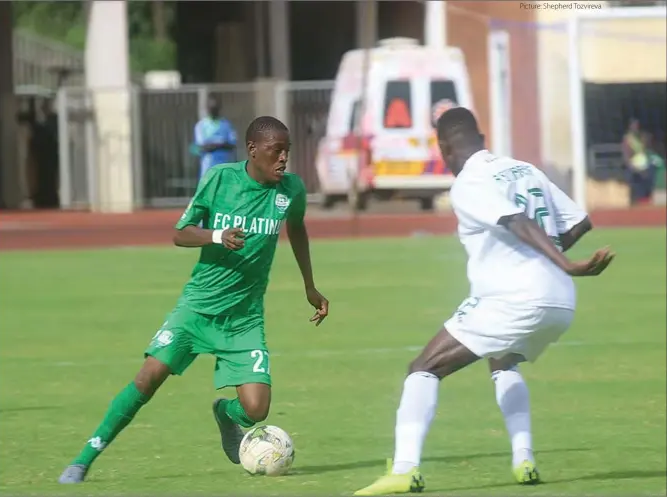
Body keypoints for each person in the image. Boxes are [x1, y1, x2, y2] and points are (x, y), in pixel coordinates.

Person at [354, 107, 614, 496]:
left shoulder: (470, 181)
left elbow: (517, 222)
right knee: (502, 358)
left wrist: (564, 263)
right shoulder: (522, 169)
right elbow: (579, 221)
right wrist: (553, 264)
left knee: (422, 368)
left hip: (515, 298)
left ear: (443, 146)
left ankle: (405, 469)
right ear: (481, 137)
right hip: (559, 300)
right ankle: (523, 458)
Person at [58, 116, 330, 484]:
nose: (283, 159)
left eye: (287, 151)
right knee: (147, 380)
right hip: (198, 308)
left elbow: (297, 228)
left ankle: (226, 415)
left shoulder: (291, 190)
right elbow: (179, 233)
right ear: (252, 150)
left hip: (244, 319)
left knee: (256, 409)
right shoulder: (220, 179)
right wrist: (217, 236)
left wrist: (309, 286)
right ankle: (84, 459)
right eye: (275, 151)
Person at [193, 98, 238, 180]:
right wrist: (221, 144)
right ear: (207, 109)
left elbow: (232, 145)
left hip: (224, 169)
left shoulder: (226, 125)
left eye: (215, 108)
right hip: (208, 170)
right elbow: (202, 147)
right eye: (211, 108)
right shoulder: (201, 125)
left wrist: (213, 145)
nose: (213, 111)